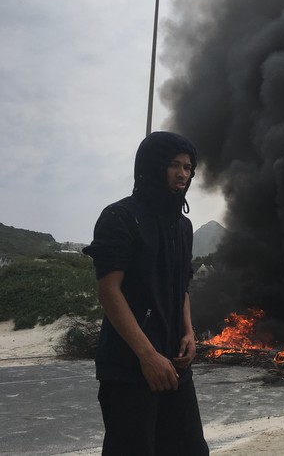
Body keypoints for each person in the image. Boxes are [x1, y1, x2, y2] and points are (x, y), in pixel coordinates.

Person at [83, 131, 209, 456]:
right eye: (174, 165)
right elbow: (109, 291)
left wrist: (189, 332)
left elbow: (181, 285)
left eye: (188, 167)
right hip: (130, 367)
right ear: (153, 166)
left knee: (191, 449)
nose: (183, 174)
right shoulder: (120, 216)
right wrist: (147, 355)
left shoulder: (183, 227)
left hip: (176, 367)